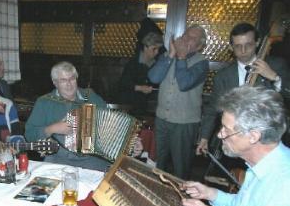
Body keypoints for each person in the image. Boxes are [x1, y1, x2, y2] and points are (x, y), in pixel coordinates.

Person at [197, 22, 290, 155]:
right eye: (238, 46)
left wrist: (275, 78)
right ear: (231, 47)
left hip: (267, 143)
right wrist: (204, 137)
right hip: (234, 142)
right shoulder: (222, 76)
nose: (243, 50)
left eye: (249, 44)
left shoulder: (276, 65)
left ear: (257, 43)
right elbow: (213, 108)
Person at [24, 61, 114, 171]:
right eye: (63, 80)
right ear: (55, 82)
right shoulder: (44, 102)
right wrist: (52, 128)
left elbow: (111, 123)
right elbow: (29, 135)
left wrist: (130, 143)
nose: (69, 84)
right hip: (58, 158)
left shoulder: (90, 96)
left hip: (93, 158)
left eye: (72, 79)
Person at [147, 25, 209, 179]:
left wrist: (180, 57)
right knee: (158, 163)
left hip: (185, 123)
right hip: (162, 120)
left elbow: (185, 83)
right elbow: (153, 78)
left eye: (192, 38)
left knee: (180, 167)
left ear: (200, 46)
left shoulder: (202, 63)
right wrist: (170, 55)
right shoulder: (169, 56)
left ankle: (180, 199)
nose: (186, 39)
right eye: (185, 35)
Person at [117, 31, 164, 114]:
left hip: (147, 105)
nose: (157, 52)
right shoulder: (133, 62)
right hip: (129, 105)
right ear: (145, 47)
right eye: (154, 49)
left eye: (158, 49)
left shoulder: (156, 63)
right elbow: (123, 83)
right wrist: (140, 88)